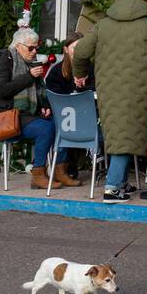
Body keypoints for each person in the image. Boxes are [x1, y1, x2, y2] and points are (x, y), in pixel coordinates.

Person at [73, 0, 147, 203]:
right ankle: (113, 188)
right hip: (139, 88)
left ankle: (121, 183)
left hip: (107, 87)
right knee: (128, 133)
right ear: (146, 5)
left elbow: (80, 52)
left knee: (118, 131)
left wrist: (80, 74)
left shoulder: (103, 24)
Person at [0, 28, 77, 191]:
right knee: (46, 128)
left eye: (36, 47)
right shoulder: (4, 62)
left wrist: (45, 106)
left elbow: (39, 91)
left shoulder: (30, 61)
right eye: (31, 48)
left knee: (64, 123)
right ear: (17, 46)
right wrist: (29, 76)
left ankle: (60, 171)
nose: (35, 51)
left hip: (28, 113)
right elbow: (0, 90)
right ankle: (38, 174)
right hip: (9, 114)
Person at [45, 31, 92, 182]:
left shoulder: (91, 68)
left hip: (87, 112)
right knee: (68, 124)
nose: (78, 51)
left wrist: (82, 87)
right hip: (64, 114)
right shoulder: (57, 70)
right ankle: (66, 167)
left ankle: (74, 165)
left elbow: (96, 89)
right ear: (66, 49)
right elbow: (52, 94)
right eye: (74, 47)